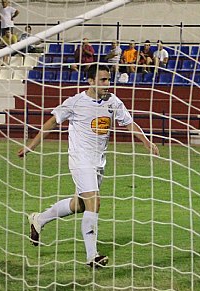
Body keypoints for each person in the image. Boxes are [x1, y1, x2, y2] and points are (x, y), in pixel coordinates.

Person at [17, 63, 159, 268]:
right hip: (79, 159)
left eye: (108, 79)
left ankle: (39, 219)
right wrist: (31, 146)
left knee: (79, 205)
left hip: (98, 161)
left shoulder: (112, 101)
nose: (107, 84)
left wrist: (146, 142)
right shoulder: (75, 102)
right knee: (94, 202)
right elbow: (52, 123)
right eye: (102, 80)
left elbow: (128, 123)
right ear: (90, 81)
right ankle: (92, 256)